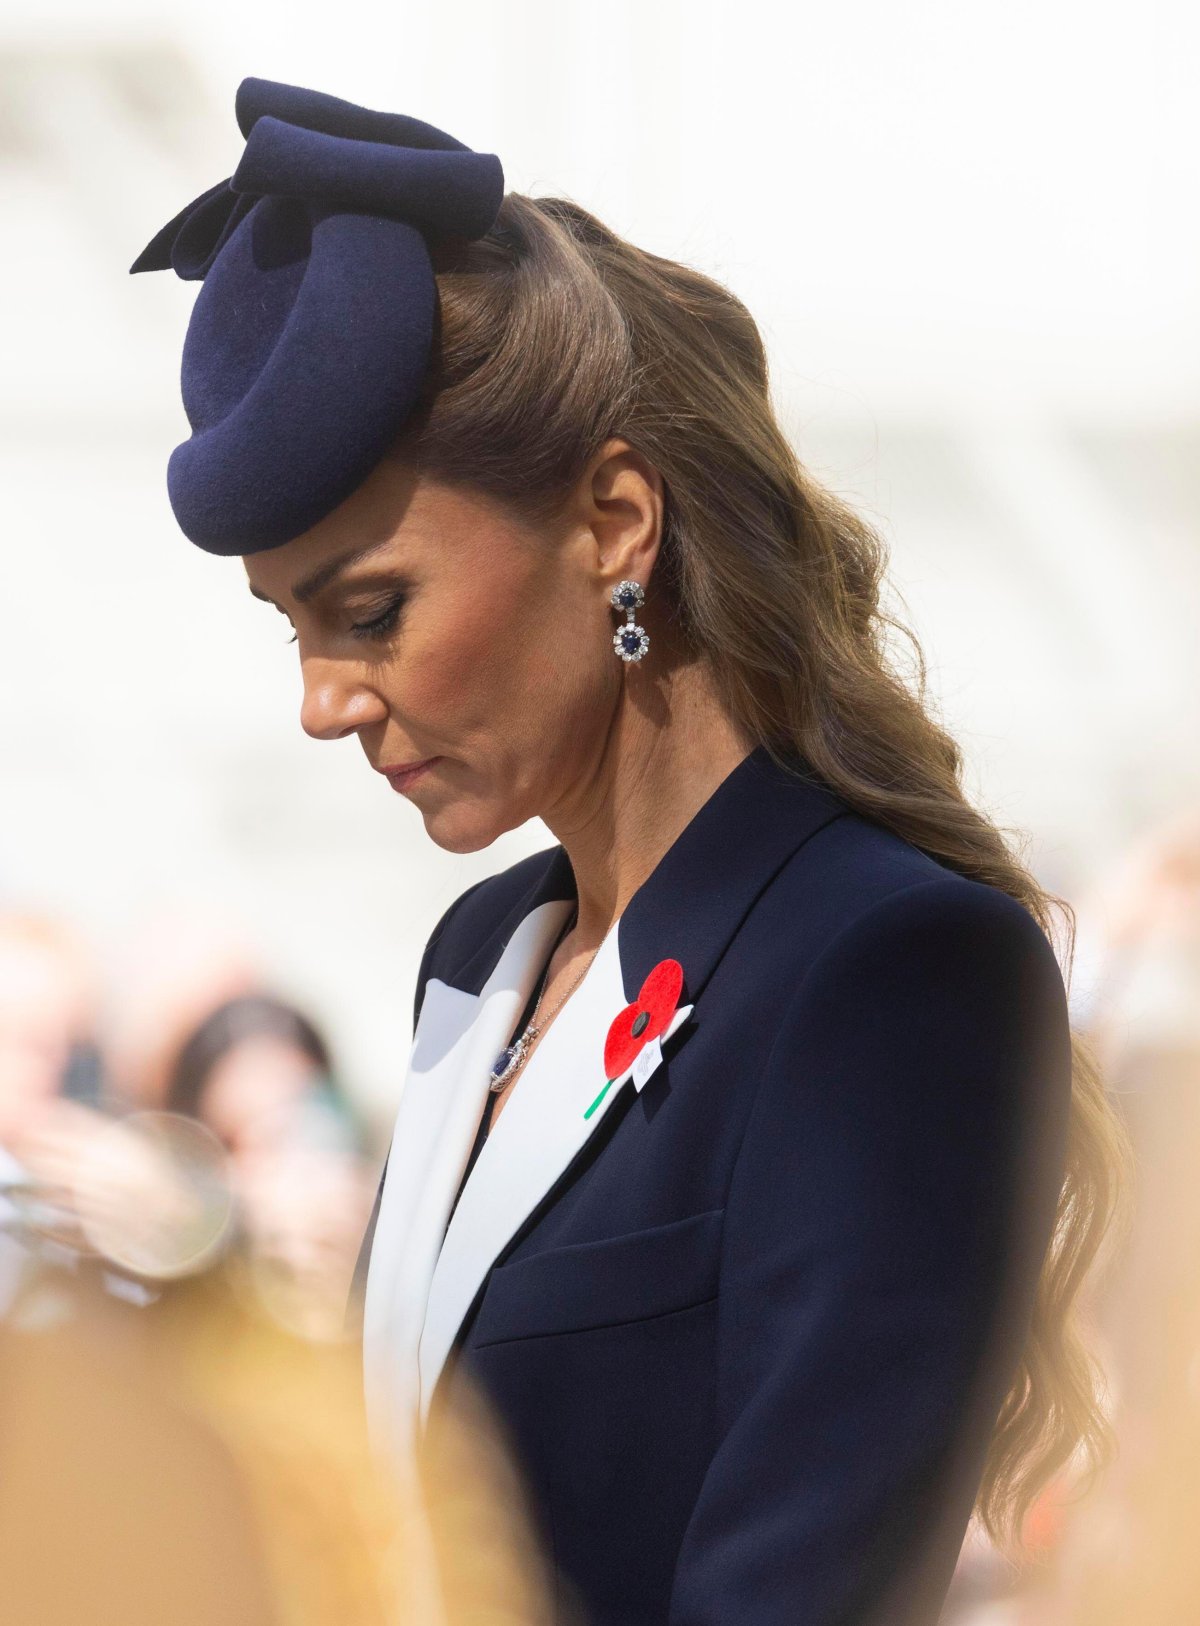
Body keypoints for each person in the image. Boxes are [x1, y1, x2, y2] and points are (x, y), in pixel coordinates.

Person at [129, 77, 1129, 1626]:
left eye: (370, 609)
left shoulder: (887, 967)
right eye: (295, 630)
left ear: (612, 520)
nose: (322, 702)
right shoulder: (474, 966)